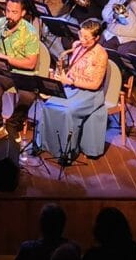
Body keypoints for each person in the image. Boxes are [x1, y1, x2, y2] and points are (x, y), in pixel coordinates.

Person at [38, 17, 109, 160]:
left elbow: (95, 85)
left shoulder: (101, 55)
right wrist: (62, 77)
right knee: (49, 104)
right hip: (71, 87)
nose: (82, 40)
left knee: (68, 111)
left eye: (87, 38)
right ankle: (47, 145)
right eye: (81, 35)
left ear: (96, 38)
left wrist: (71, 81)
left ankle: (66, 152)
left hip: (90, 94)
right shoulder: (77, 45)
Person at [0, 0, 39, 142]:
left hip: (24, 73)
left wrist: (6, 58)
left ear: (23, 13)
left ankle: (13, 124)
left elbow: (31, 63)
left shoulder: (30, 32)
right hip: (4, 71)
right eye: (7, 11)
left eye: (14, 12)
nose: (9, 15)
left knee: (28, 96)